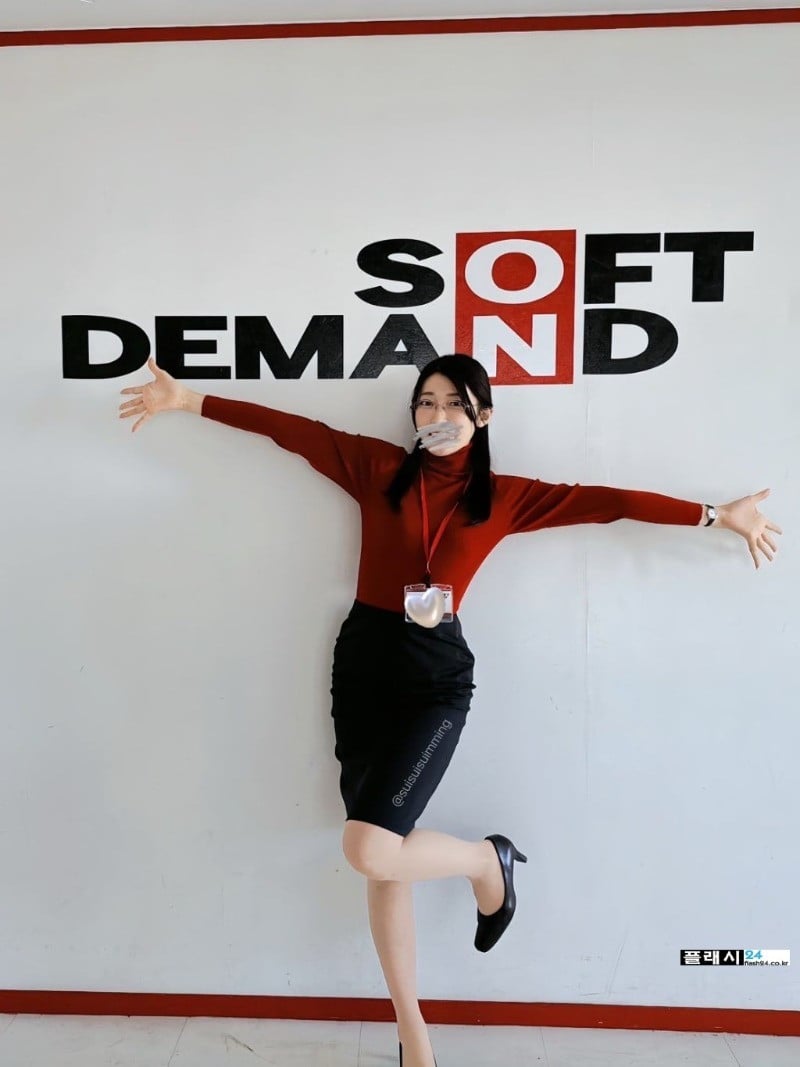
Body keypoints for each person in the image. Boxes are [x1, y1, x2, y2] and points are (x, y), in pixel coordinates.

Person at [118, 353, 781, 1067]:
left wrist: (716, 515)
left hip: (434, 679)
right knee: (385, 860)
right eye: (426, 402)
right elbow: (291, 430)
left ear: (482, 416)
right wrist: (189, 400)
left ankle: (486, 859)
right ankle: (415, 1037)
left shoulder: (505, 498)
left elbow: (608, 501)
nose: (438, 416)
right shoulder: (377, 468)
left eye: (455, 404)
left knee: (370, 846)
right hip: (363, 666)